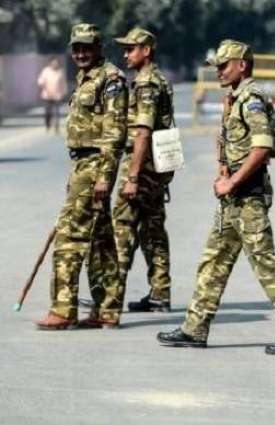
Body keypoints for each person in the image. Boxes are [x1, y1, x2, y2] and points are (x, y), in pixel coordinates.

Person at [157, 40, 275, 354]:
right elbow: (233, 145)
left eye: (224, 64)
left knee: (265, 265)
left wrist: (234, 182)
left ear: (242, 64)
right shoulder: (235, 98)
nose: (218, 70)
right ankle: (194, 328)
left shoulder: (252, 98)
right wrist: (223, 173)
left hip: (248, 199)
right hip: (233, 201)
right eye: (216, 65)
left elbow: (263, 146)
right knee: (212, 262)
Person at [34, 23, 127, 330]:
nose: (81, 53)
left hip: (94, 166)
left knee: (69, 238)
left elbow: (114, 134)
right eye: (76, 48)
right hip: (82, 166)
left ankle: (63, 309)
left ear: (99, 48)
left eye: (87, 47)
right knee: (101, 241)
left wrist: (104, 177)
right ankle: (107, 309)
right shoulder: (85, 78)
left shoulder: (110, 79)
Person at [112, 28, 174, 313]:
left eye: (131, 49)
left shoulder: (147, 83)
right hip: (157, 168)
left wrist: (133, 176)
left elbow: (143, 132)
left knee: (122, 227)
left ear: (146, 50)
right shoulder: (159, 79)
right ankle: (160, 293)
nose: (126, 54)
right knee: (153, 230)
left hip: (142, 166)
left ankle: (111, 296)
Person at [37, 56, 67, 133]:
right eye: (53, 62)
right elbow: (40, 81)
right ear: (50, 63)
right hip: (47, 95)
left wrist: (63, 93)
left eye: (56, 62)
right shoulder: (46, 71)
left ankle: (56, 127)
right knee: (48, 112)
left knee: (57, 112)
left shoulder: (60, 72)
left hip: (57, 95)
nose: (55, 64)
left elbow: (63, 84)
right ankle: (48, 125)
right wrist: (43, 86)